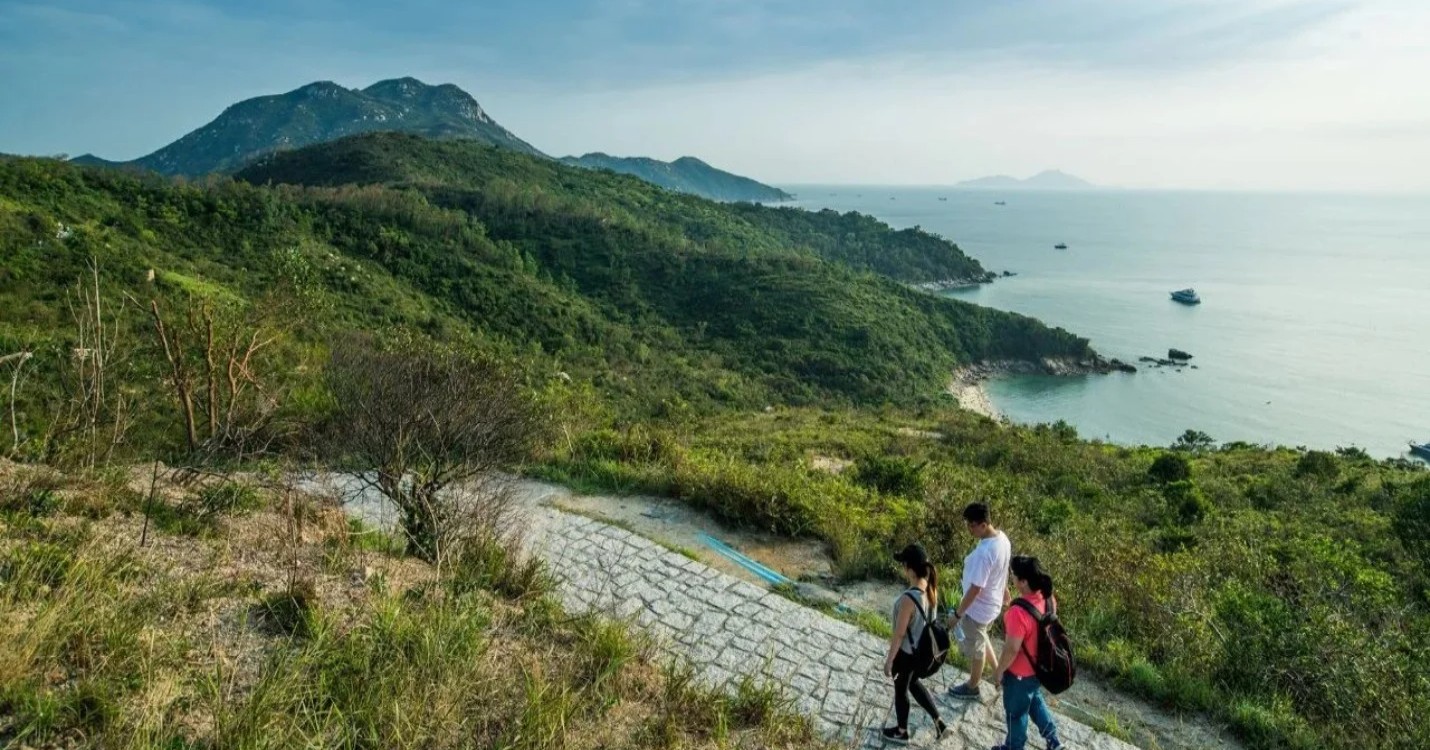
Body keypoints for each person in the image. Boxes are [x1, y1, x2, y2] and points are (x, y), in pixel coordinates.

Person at [990, 555, 1064, 750]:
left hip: (1020, 674)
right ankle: (1053, 739)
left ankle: (1014, 747)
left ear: (1023, 582)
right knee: (1033, 700)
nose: (1011, 578)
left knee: (1016, 713)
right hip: (1038, 668)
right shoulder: (1047, 598)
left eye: (1013, 575)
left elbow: (1012, 648)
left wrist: (999, 670)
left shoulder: (1017, 612)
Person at [881, 543, 948, 745]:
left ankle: (902, 732)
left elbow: (899, 634)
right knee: (913, 683)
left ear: (909, 569)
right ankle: (939, 722)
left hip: (906, 655)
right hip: (922, 653)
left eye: (903, 564)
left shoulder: (908, 599)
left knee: (901, 690)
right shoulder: (931, 590)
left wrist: (889, 660)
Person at [947, 502, 1011, 700]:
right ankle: (1000, 676)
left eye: (972, 525)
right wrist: (1005, 590)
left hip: (979, 608)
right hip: (993, 602)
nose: (969, 529)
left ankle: (972, 686)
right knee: (982, 638)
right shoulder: (1002, 539)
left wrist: (957, 615)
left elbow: (976, 588)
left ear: (983, 524)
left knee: (977, 648)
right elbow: (1002, 568)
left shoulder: (985, 553)